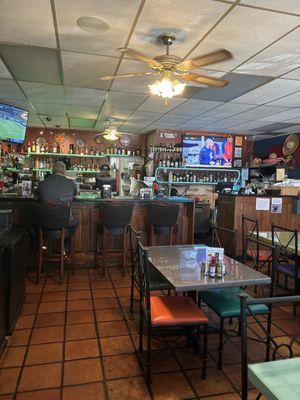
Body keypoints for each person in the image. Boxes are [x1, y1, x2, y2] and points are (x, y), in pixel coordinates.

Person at [37, 161, 77, 228]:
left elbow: (36, 197)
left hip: (44, 222)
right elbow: (75, 195)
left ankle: (39, 238)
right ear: (64, 171)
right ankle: (65, 238)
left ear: (52, 170)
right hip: (65, 222)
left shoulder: (42, 183)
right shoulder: (71, 183)